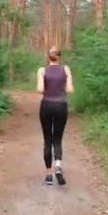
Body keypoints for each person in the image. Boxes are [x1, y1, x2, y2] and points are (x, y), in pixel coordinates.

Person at [36, 46, 74, 186]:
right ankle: (58, 165)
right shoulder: (66, 69)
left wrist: (46, 85)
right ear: (59, 57)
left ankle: (48, 175)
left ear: (48, 57)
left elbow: (40, 89)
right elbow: (70, 90)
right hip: (61, 106)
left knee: (47, 139)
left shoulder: (42, 70)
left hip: (46, 105)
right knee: (57, 138)